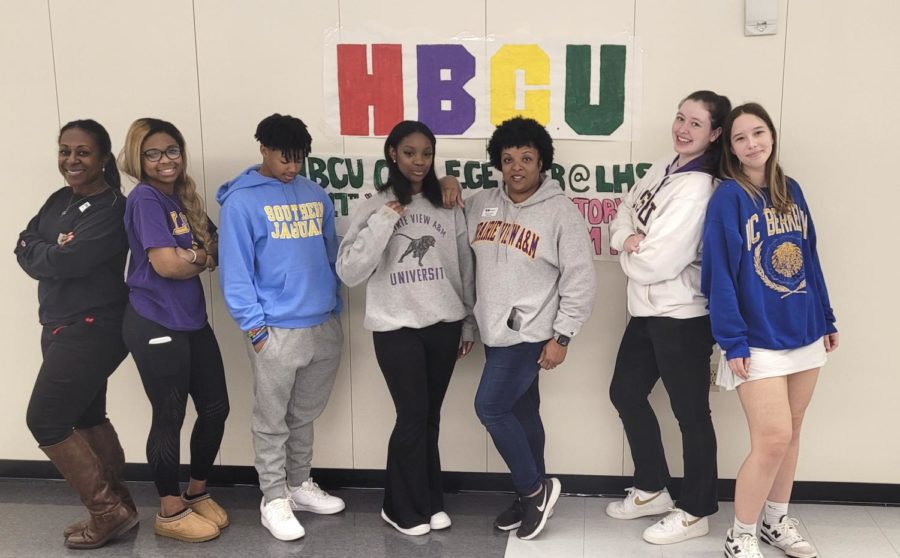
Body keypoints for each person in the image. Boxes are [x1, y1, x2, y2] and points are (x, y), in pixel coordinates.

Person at [701, 103, 838, 558]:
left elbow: (810, 256)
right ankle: (739, 533)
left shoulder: (790, 190)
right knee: (773, 437)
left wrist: (827, 317)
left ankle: (775, 521)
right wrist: (731, 340)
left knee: (793, 433)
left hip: (804, 331)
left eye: (758, 133)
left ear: (772, 135)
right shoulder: (728, 198)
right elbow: (718, 275)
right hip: (756, 340)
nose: (752, 143)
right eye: (741, 138)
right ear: (732, 148)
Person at [336, 121, 476, 536]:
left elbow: (464, 267)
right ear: (393, 154)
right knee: (412, 415)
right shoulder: (376, 204)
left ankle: (428, 500)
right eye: (410, 152)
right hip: (396, 327)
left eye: (427, 153)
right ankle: (401, 507)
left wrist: (467, 322)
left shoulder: (448, 203)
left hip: (444, 324)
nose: (419, 161)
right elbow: (348, 272)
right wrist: (381, 223)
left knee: (429, 417)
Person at [606, 91, 731, 545]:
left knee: (691, 414)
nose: (683, 128)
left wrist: (627, 248)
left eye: (696, 124)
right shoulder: (666, 164)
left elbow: (654, 263)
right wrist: (627, 237)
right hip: (646, 310)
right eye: (680, 117)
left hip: (683, 315)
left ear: (715, 134)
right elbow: (624, 210)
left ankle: (696, 509)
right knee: (625, 392)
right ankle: (653, 488)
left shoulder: (698, 187)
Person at [217, 113, 345, 542]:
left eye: (299, 159)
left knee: (304, 414)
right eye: (284, 158)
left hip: (321, 324)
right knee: (271, 418)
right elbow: (236, 272)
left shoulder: (316, 195)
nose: (292, 167)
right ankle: (272, 496)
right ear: (263, 151)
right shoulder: (241, 202)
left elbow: (330, 255)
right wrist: (255, 329)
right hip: (274, 328)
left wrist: (334, 308)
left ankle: (297, 483)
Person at [468, 116, 596, 540]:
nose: (517, 167)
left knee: (490, 407)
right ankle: (527, 494)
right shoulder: (481, 203)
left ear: (542, 161)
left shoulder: (561, 212)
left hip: (530, 333)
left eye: (526, 157)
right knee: (522, 413)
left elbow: (580, 278)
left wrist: (563, 336)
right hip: (492, 329)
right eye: (508, 159)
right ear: (498, 164)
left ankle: (534, 490)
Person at [15, 119, 138, 549]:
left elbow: (70, 261)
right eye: (65, 150)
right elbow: (23, 245)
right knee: (86, 417)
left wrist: (46, 251)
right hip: (59, 324)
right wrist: (47, 249)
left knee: (45, 418)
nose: (71, 160)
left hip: (93, 328)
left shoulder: (112, 209)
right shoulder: (58, 200)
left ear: (103, 158)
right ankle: (120, 505)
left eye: (82, 152)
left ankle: (106, 512)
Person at [119, 117, 230, 543]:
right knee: (169, 416)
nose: (165, 160)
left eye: (172, 151)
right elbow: (166, 265)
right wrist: (198, 258)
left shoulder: (183, 198)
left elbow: (216, 248)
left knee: (216, 408)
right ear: (138, 158)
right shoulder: (147, 198)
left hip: (191, 320)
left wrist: (197, 255)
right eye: (153, 153)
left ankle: (197, 492)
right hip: (154, 321)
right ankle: (169, 511)